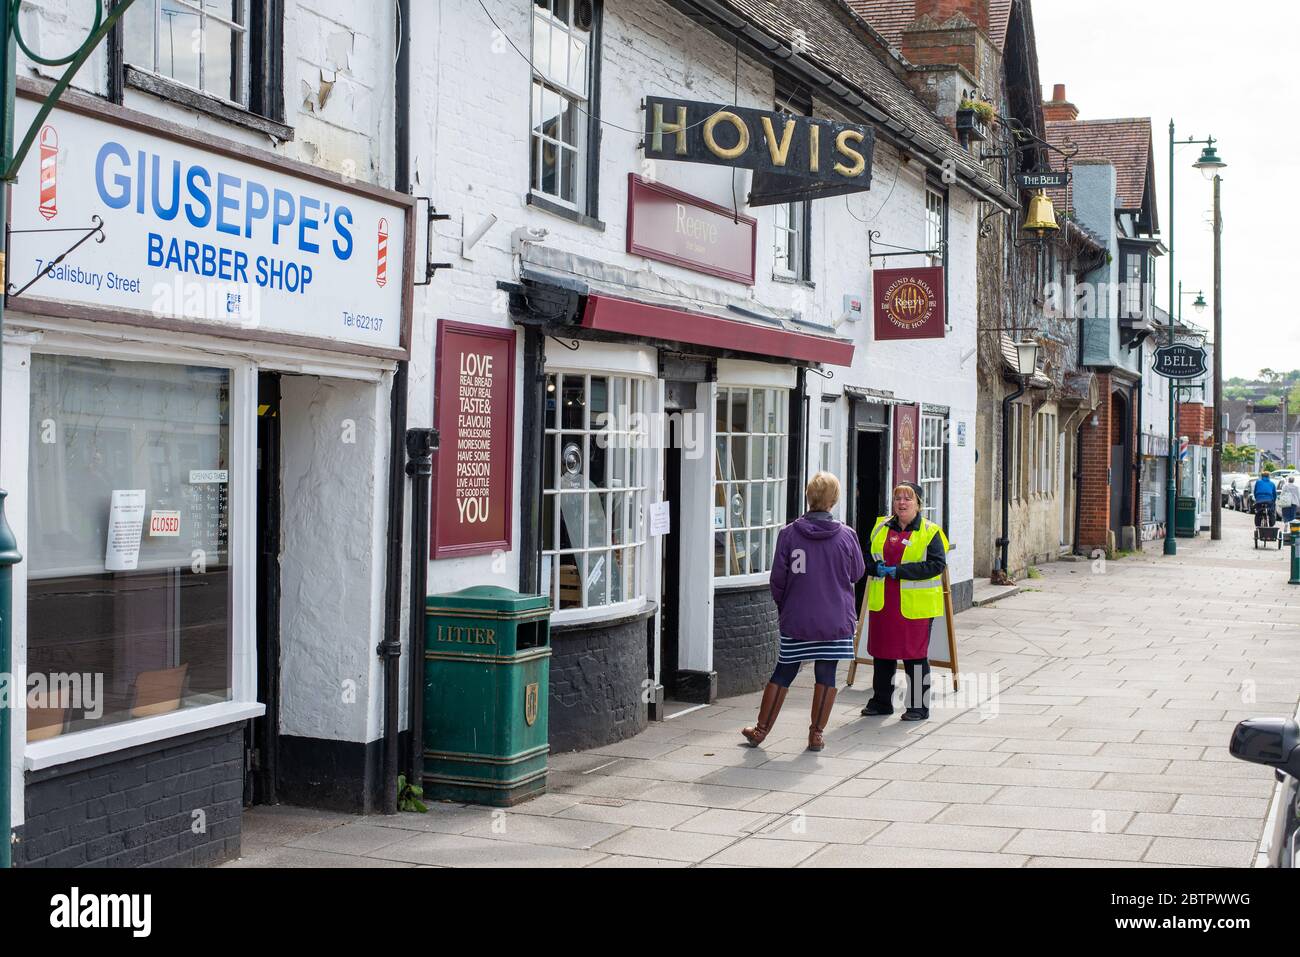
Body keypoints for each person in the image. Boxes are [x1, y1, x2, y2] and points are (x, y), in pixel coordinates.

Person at [742, 471, 865, 752]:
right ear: (834, 500)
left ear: (809, 497)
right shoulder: (847, 536)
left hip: (797, 618)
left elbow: (778, 581)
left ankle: (761, 731)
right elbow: (857, 573)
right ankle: (816, 734)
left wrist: (786, 607)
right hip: (835, 620)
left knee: (784, 671)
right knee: (826, 674)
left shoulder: (788, 534)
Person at [859, 483, 949, 722]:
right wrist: (874, 567)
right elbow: (865, 557)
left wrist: (900, 571)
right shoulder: (880, 528)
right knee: (882, 653)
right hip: (884, 603)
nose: (902, 502)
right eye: (898, 498)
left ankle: (918, 707)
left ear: (918, 503)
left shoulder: (930, 532)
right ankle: (881, 702)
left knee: (915, 656)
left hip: (915, 606)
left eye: (908, 499)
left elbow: (936, 565)